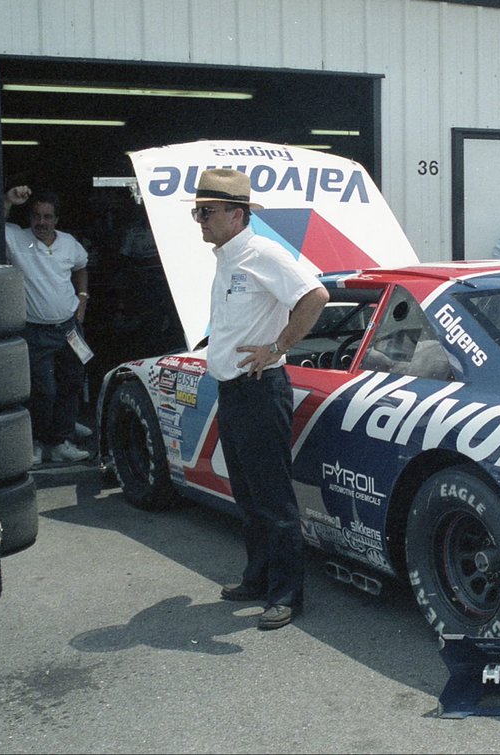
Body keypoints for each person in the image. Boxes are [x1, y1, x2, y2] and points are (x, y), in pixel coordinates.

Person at [191, 168, 330, 630]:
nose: (200, 220)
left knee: (272, 498)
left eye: (206, 212)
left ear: (236, 214)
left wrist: (278, 346)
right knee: (248, 495)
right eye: (197, 212)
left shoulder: (262, 252)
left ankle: (287, 594)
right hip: (232, 391)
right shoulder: (227, 257)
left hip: (260, 389)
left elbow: (316, 295)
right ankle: (257, 578)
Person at [3, 186, 92, 465]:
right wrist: (8, 200)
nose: (41, 222)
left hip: (69, 328)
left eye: (48, 216)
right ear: (29, 217)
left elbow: (81, 267)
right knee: (43, 391)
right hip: (35, 330)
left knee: (72, 381)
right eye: (36, 216)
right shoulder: (17, 239)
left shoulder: (69, 242)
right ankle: (38, 441)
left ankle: (60, 441)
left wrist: (83, 301)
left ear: (56, 219)